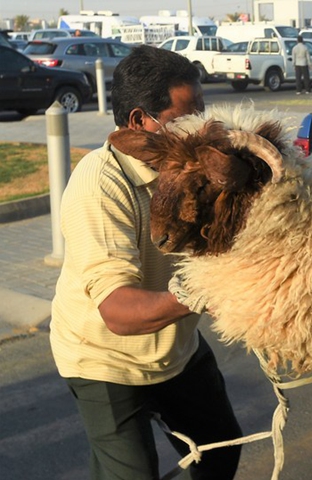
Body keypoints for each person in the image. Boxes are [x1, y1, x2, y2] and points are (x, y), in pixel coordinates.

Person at [49, 45, 243, 480]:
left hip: (176, 348)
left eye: (203, 112)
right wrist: (202, 290)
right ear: (141, 122)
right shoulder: (99, 186)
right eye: (187, 118)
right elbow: (118, 311)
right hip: (104, 359)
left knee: (221, 450)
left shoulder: (194, 171)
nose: (202, 127)